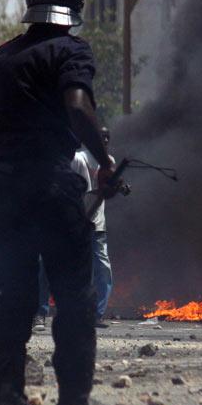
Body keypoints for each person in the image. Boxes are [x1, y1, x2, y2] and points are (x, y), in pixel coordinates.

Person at [0, 0, 117, 405]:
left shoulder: (2, 57)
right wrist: (104, 159)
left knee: (14, 298)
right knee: (74, 298)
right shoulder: (71, 51)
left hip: (8, 189)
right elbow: (77, 107)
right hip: (55, 186)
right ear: (75, 1)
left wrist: (10, 156)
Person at [71, 126, 114, 328]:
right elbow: (79, 191)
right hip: (79, 221)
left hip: (98, 223)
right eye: (100, 138)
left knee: (103, 269)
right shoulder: (79, 158)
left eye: (106, 138)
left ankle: (98, 313)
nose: (104, 141)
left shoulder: (110, 162)